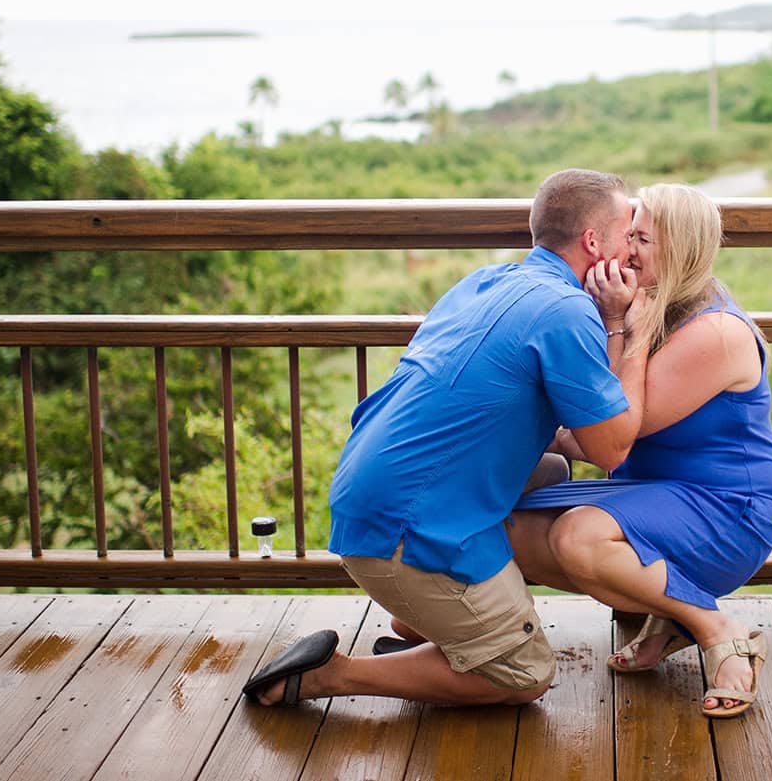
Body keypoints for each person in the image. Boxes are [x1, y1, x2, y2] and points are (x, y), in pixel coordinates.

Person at [243, 168, 649, 707]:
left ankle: (426, 622)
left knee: (548, 473)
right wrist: (627, 325)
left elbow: (482, 409)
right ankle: (332, 676)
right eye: (629, 235)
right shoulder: (567, 311)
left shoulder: (486, 280)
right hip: (403, 529)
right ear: (594, 242)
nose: (633, 252)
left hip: (364, 496)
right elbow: (611, 448)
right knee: (526, 673)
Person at [508, 182, 772, 719]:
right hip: (650, 493)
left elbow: (615, 435)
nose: (626, 250)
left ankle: (716, 629)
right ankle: (668, 611)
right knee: (509, 528)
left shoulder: (716, 332)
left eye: (643, 240)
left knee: (577, 536)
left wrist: (619, 326)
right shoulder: (651, 302)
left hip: (727, 508)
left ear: (680, 249)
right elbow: (591, 430)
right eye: (627, 234)